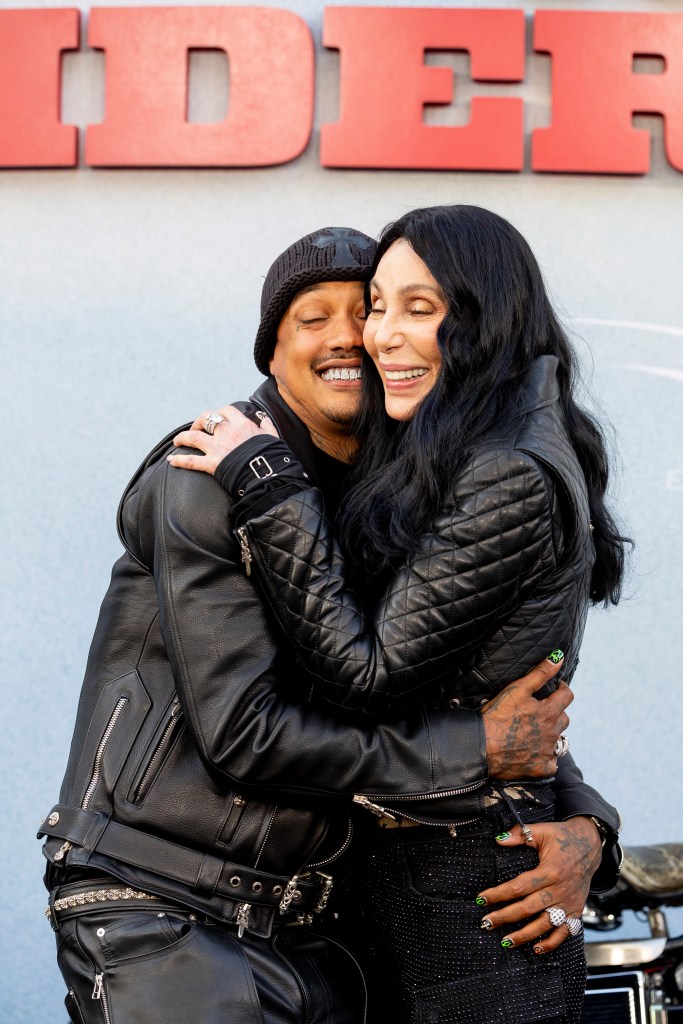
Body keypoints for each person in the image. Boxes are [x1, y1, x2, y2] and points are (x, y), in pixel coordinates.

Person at [40, 225, 620, 1024]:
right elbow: (246, 733)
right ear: (269, 352)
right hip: (164, 905)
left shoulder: (392, 493)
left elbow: (473, 686)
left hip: (328, 929)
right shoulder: (212, 477)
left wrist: (584, 821)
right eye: (315, 318)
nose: (355, 335)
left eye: (372, 310)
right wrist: (474, 748)